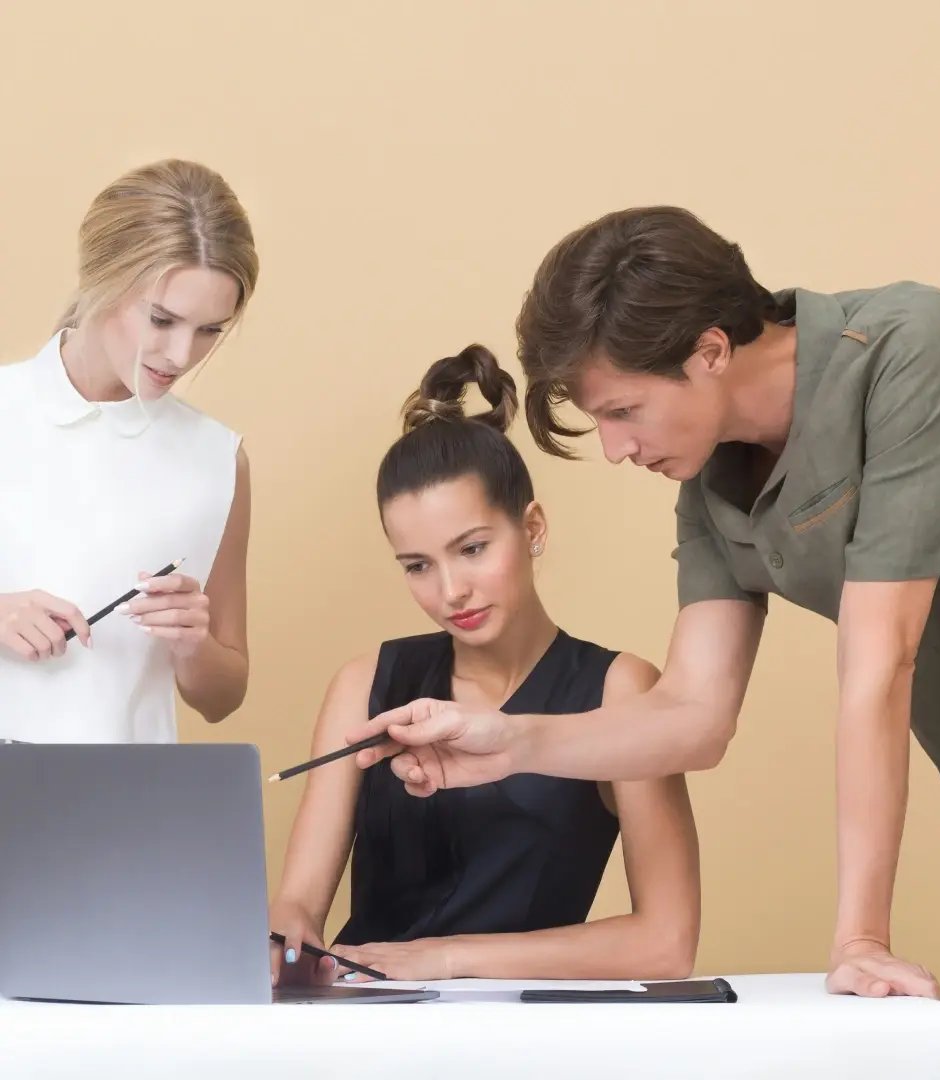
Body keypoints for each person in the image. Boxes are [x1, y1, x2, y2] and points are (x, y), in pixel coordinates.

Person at [356, 208, 940, 1078]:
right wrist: (509, 743)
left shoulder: (914, 352)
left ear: (708, 351)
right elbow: (693, 716)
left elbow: (880, 660)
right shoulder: (712, 482)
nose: (618, 450)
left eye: (624, 412)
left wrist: (859, 937)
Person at [269, 345, 699, 986]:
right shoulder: (365, 686)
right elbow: (298, 905)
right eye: (417, 565)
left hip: (518, 1033)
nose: (450, 592)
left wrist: (445, 960)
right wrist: (285, 939)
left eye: (471, 549)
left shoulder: (620, 691)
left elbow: (665, 943)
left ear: (532, 528)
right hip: (363, 1022)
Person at [0, 159, 258, 742]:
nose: (180, 354)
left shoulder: (216, 460)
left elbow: (223, 697)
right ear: (101, 278)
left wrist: (193, 644)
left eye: (210, 330)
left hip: (122, 814)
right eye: (162, 319)